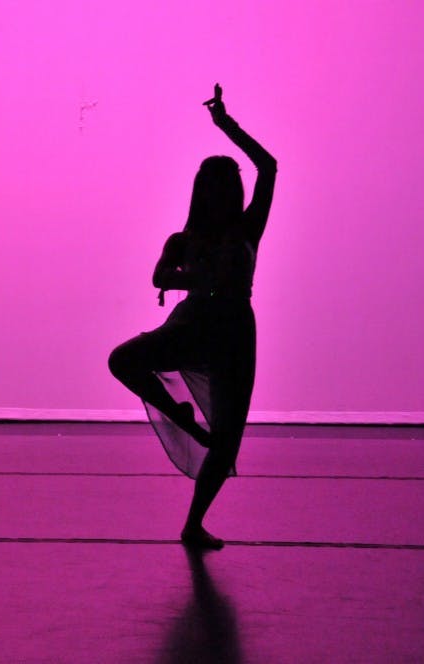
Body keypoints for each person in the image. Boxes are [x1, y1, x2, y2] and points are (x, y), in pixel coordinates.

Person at [108, 85, 277, 549]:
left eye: (226, 187)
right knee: (121, 360)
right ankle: (179, 414)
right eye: (212, 188)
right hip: (195, 323)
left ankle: (193, 525)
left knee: (226, 438)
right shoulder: (183, 239)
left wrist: (226, 126)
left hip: (234, 334)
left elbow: (268, 167)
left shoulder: (248, 228)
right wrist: (195, 278)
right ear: (202, 193)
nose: (220, 195)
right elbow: (159, 276)